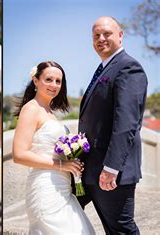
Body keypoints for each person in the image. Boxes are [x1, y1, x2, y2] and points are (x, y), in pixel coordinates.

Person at [77, 16, 148, 234]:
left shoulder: (128, 68)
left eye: (106, 33)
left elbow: (126, 123)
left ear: (120, 35)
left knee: (121, 230)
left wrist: (111, 168)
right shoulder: (103, 69)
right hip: (92, 170)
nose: (100, 39)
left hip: (111, 172)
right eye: (96, 35)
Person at [12, 61, 95, 234]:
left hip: (64, 188)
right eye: (49, 79)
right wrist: (61, 165)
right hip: (45, 189)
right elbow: (19, 154)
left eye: (58, 81)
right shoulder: (31, 109)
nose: (54, 85)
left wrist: (72, 160)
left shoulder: (50, 112)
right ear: (35, 80)